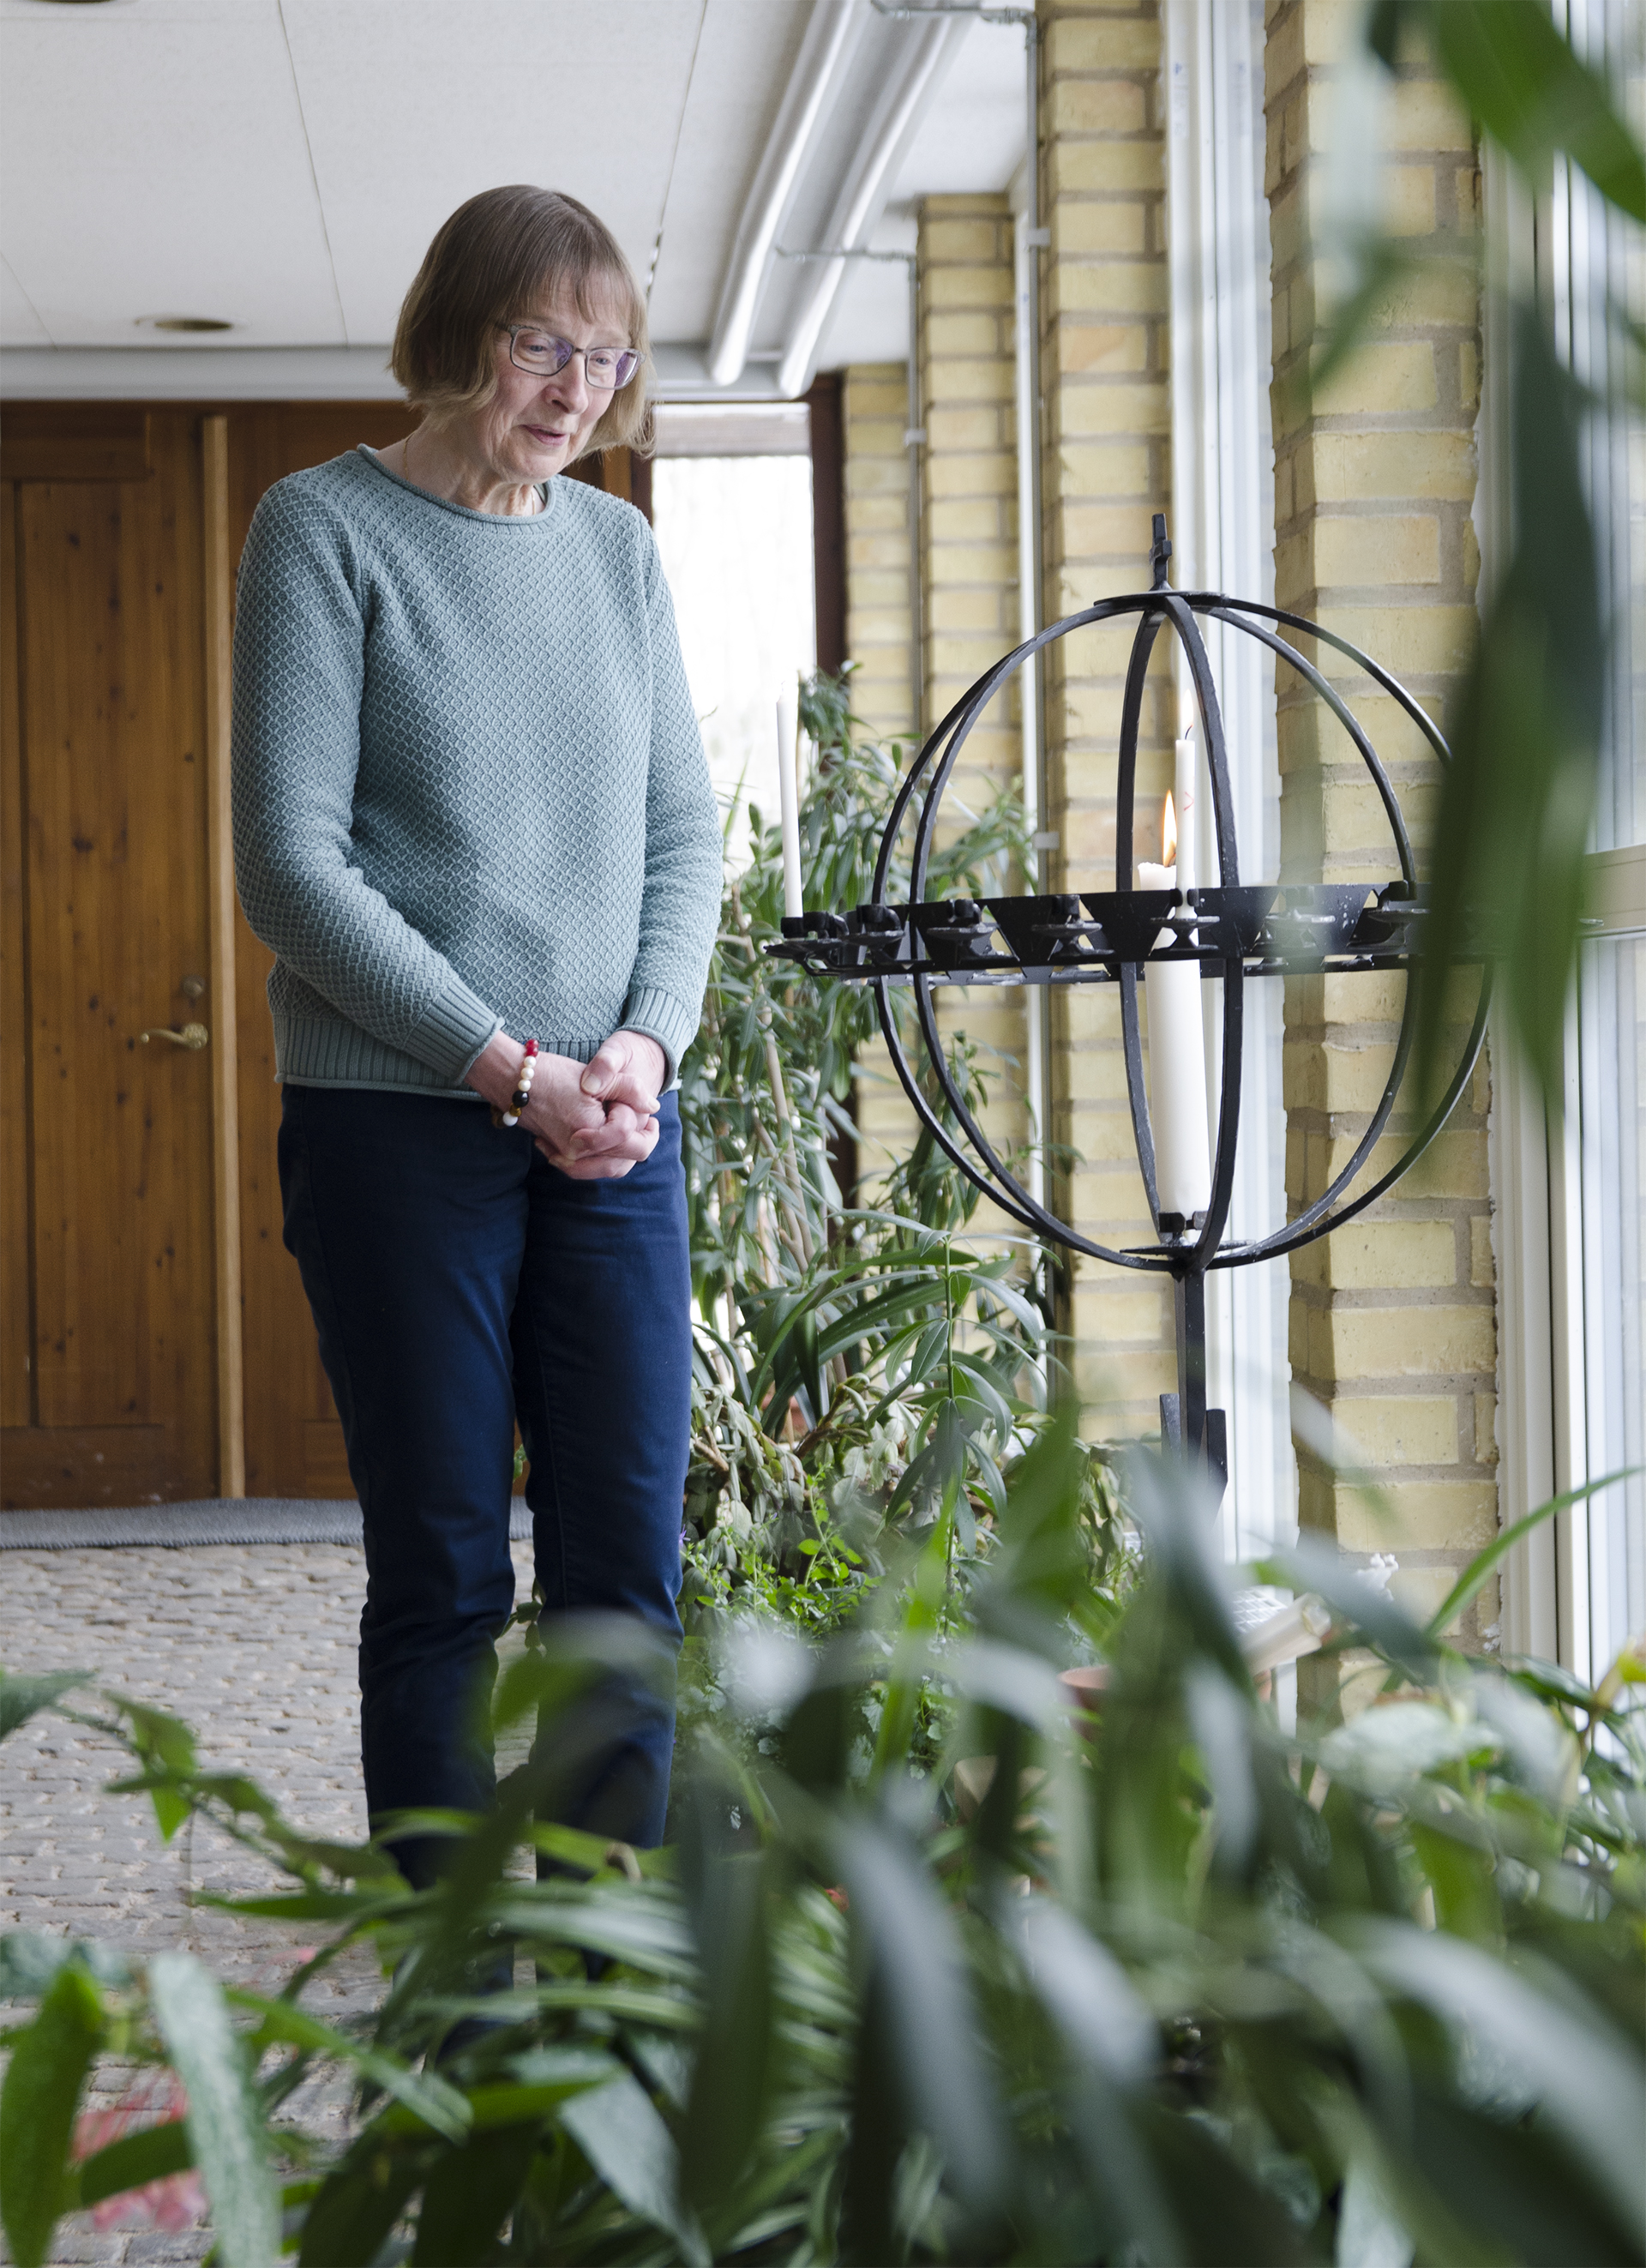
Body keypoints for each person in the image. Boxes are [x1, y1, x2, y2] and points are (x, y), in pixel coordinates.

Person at [231, 184, 722, 1886]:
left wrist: (644, 1048)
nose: (578, 388)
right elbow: (292, 867)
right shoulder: (323, 530)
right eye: (540, 345)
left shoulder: (618, 555)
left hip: (614, 1129)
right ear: (457, 337)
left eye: (609, 356)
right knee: (443, 1571)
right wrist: (509, 1067)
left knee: (624, 1575)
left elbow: (681, 833)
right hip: (403, 1127)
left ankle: (602, 1981)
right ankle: (454, 1993)